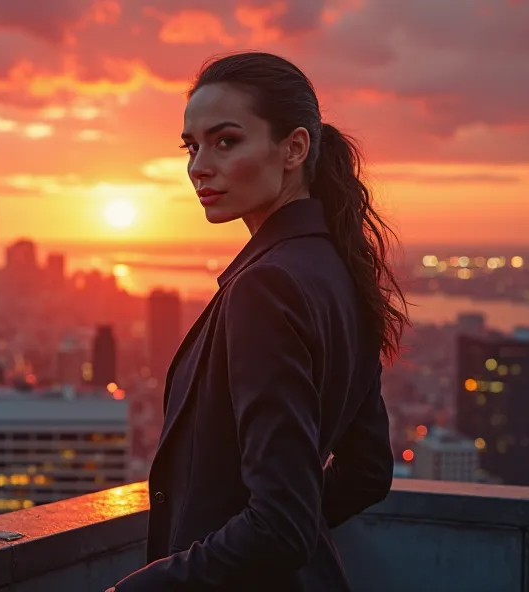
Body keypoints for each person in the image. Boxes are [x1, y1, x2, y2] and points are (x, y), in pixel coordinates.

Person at [107, 52, 409, 591]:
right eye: (192, 146)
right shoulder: (339, 268)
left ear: (294, 148)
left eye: (226, 141)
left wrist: (138, 588)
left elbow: (279, 526)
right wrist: (290, 525)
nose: (198, 166)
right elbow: (367, 473)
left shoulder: (266, 287)